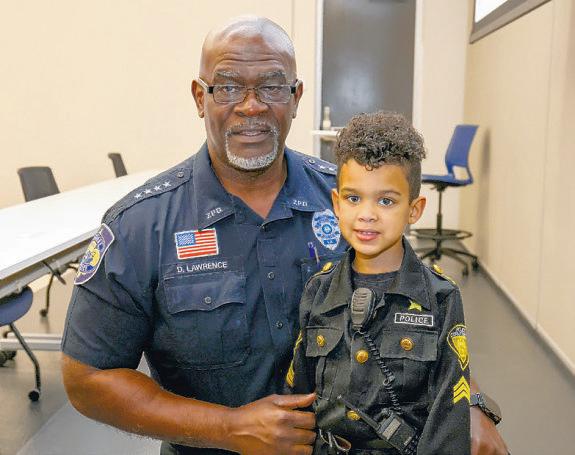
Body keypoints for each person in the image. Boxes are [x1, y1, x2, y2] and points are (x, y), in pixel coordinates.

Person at [60, 15, 508, 455]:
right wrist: (228, 428)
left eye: (272, 86)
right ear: (200, 97)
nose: (251, 106)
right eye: (228, 87)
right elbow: (89, 378)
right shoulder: (141, 226)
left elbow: (420, 311)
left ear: (296, 97)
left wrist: (467, 402)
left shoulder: (351, 204)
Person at [287, 111, 470, 454]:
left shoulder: (441, 297)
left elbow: (449, 415)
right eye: (353, 198)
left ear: (414, 209)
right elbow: (298, 393)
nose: (367, 214)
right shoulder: (318, 290)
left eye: (386, 201)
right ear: (336, 204)